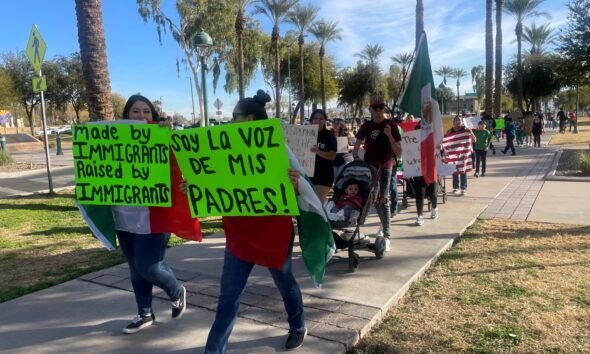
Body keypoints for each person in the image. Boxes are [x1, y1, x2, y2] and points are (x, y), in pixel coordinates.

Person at [204, 90, 308, 353]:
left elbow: (297, 194)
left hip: (273, 233)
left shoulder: (278, 151)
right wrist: (194, 186)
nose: (230, 121)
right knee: (228, 298)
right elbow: (211, 182)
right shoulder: (222, 150)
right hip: (239, 235)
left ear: (249, 119)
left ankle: (298, 325)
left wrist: (295, 185)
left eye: (234, 116)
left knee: (286, 285)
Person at [116, 94, 186, 334]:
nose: (141, 116)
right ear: (126, 115)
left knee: (149, 266)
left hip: (154, 213)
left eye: (146, 111)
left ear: (153, 116)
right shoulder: (112, 140)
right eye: (135, 111)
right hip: (123, 215)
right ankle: (144, 312)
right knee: (135, 268)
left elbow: (181, 168)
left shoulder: (164, 138)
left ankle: (176, 290)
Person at [352, 95, 402, 251]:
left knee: (383, 199)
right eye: (375, 107)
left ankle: (387, 235)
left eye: (381, 107)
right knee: (369, 198)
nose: (379, 110)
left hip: (386, 164)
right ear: (370, 109)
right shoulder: (366, 126)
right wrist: (356, 160)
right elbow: (356, 147)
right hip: (369, 166)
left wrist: (389, 135)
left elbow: (399, 152)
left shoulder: (391, 125)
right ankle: (358, 229)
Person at [309, 109, 337, 203]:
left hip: (324, 176)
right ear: (311, 120)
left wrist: (318, 151)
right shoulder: (305, 133)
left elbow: (332, 156)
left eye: (321, 119)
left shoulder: (329, 135)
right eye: (315, 118)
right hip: (308, 175)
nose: (318, 121)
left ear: (325, 121)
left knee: (317, 205)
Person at [442, 116, 476, 195]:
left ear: (462, 122)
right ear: (453, 122)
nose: (458, 122)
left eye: (459, 120)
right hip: (453, 155)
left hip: (463, 154)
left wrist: (471, 133)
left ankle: (463, 188)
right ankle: (455, 187)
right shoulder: (450, 131)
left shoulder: (466, 130)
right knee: (455, 170)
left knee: (463, 170)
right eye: (456, 120)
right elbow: (445, 140)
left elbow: (474, 140)